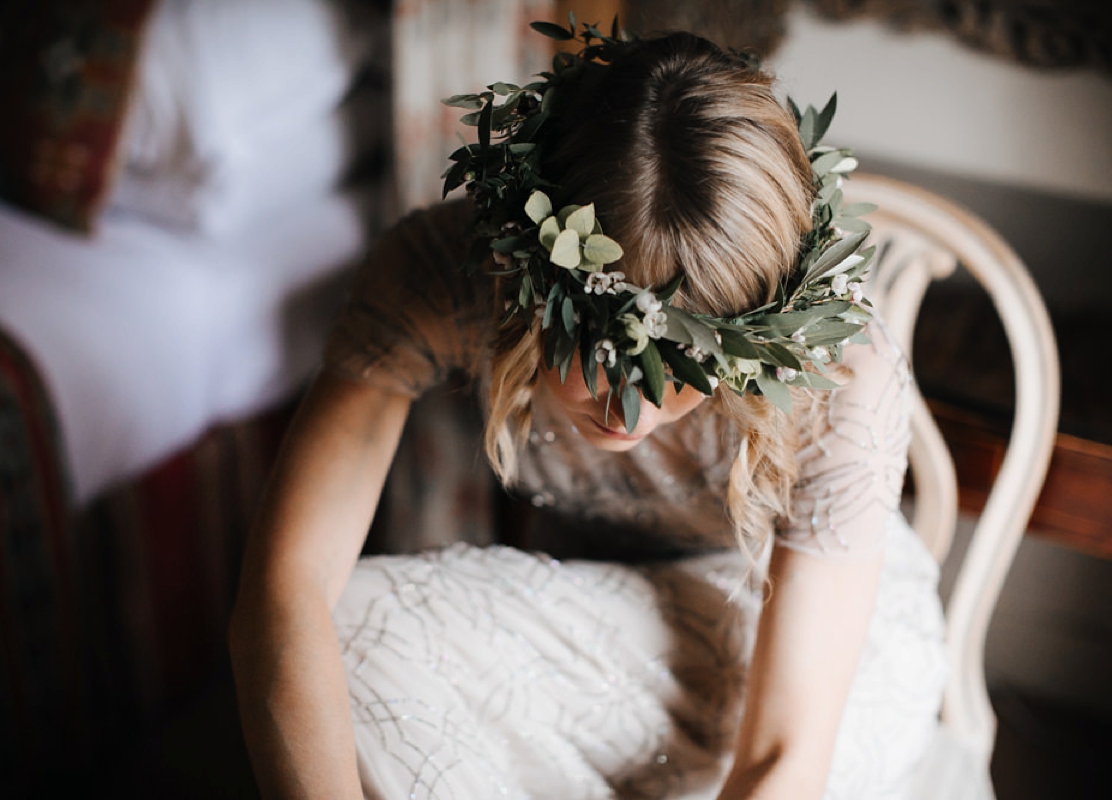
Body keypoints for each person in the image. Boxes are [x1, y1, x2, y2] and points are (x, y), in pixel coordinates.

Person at [229, 23, 947, 800]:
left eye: (684, 367)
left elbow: (784, 756)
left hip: (811, 642)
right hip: (597, 604)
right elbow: (285, 590)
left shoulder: (835, 373)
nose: (630, 406)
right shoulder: (448, 270)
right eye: (602, 349)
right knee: (347, 639)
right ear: (530, 274)